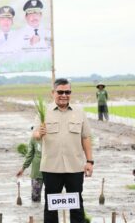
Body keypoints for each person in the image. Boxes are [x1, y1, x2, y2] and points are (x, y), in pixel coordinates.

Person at [33, 78, 93, 223]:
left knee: (77, 206)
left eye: (67, 92)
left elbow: (86, 138)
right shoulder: (44, 112)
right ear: (53, 93)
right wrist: (39, 133)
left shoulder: (79, 112)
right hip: (51, 168)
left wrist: (90, 161)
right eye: (60, 92)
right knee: (51, 207)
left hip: (75, 168)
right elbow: (34, 135)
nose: (64, 95)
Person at [16, 137, 43, 202]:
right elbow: (30, 155)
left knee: (46, 197)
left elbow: (30, 155)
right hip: (39, 172)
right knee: (37, 197)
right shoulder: (34, 138)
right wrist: (23, 168)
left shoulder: (35, 137)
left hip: (48, 172)